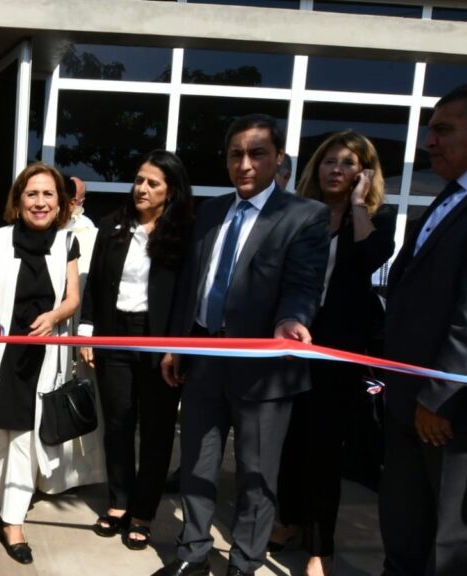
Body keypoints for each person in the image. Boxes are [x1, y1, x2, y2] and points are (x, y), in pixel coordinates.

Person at [154, 114, 330, 576]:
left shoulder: (303, 216)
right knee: (196, 464)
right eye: (236, 154)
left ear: (278, 159)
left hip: (263, 368)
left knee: (256, 477)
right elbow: (193, 285)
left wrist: (293, 319)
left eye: (257, 154)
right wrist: (176, 345)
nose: (245, 164)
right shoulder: (211, 211)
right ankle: (192, 554)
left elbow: (303, 284)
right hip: (205, 359)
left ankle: (245, 563)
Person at [272, 131, 395, 575]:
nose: (335, 169)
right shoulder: (296, 215)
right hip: (289, 345)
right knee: (287, 441)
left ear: (362, 172)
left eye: (347, 163)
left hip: (337, 354)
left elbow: (370, 259)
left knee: (324, 451)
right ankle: (287, 520)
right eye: (328, 161)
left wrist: (359, 203)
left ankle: (320, 546)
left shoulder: (372, 221)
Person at [0, 162, 80, 565]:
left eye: (49, 194)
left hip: (41, 354)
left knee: (25, 439)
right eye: (32, 194)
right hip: (2, 352)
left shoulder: (68, 242)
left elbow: (73, 298)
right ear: (19, 199)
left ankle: (12, 521)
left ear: (60, 202)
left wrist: (55, 317)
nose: (41, 202)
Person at [78, 150, 194, 550]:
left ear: (171, 191)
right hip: (115, 336)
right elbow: (94, 282)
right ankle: (119, 502)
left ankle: (143, 512)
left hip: (159, 340)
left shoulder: (184, 233)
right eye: (139, 180)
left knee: (158, 430)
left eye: (153, 183)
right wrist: (88, 329)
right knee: (118, 424)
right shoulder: (113, 224)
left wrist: (174, 347)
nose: (141, 189)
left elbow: (186, 297)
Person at [379, 83, 467, 576]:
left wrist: (438, 397)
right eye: (429, 130)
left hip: (446, 415)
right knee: (403, 522)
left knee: (448, 540)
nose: (429, 142)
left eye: (444, 130)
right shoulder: (445, 200)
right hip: (405, 399)